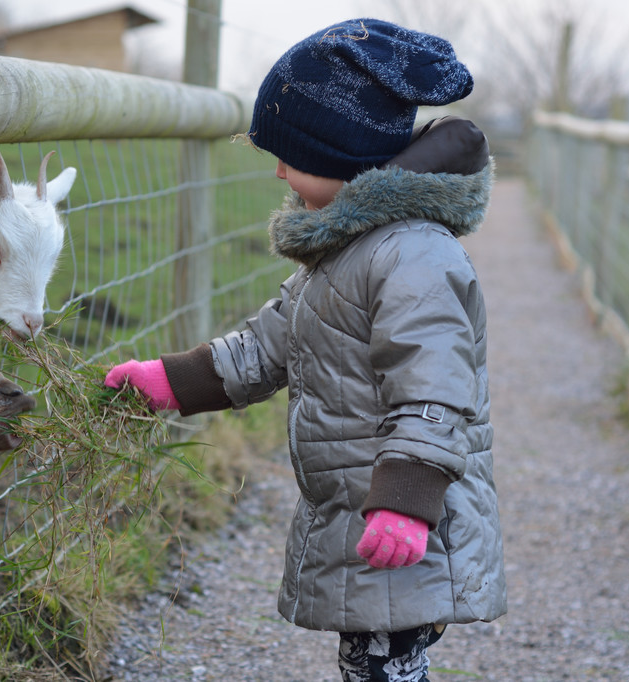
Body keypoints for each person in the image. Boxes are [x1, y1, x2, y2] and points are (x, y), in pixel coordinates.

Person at [104, 18, 506, 682]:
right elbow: (268, 344)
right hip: (359, 506)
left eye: (291, 155)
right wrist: (171, 382)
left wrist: (407, 497)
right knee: (371, 658)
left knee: (382, 662)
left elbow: (434, 387)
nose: (280, 171)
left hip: (405, 514)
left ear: (344, 155)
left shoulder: (411, 256)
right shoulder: (343, 251)